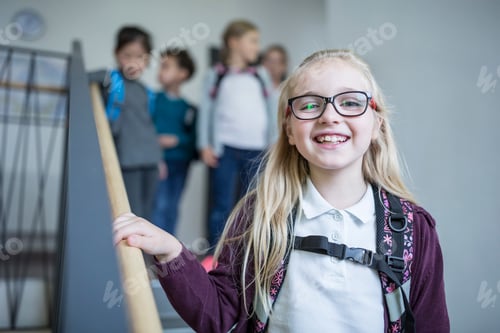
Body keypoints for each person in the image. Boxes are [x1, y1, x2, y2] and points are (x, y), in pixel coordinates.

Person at [113, 49, 450, 333]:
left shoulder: (414, 229)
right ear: (289, 129)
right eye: (309, 105)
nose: (330, 115)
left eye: (350, 102)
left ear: (376, 124)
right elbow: (217, 314)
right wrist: (172, 252)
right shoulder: (261, 214)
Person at [197, 20, 276, 251]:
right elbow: (206, 112)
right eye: (252, 41)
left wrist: (274, 139)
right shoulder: (216, 75)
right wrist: (204, 145)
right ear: (233, 42)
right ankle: (215, 255)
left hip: (257, 149)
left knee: (251, 204)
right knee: (222, 205)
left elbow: (272, 110)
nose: (256, 47)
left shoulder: (260, 74)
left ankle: (245, 255)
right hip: (226, 150)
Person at [104, 25, 161, 220]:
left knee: (148, 214)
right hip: (127, 160)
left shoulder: (147, 91)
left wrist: (159, 159)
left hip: (151, 160)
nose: (133, 62)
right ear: (116, 54)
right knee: (132, 214)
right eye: (127, 55)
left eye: (140, 57)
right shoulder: (111, 82)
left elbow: (148, 126)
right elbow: (82, 78)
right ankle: (134, 252)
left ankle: (146, 252)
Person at [152, 48, 197, 235]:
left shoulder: (189, 109)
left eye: (166, 66)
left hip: (180, 164)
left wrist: (177, 140)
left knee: (172, 207)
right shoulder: (152, 100)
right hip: (157, 163)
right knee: (159, 206)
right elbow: (144, 130)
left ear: (182, 74)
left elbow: (194, 141)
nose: (160, 71)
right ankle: (151, 256)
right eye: (161, 66)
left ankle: (167, 255)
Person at [262, 44, 288, 121]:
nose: (272, 66)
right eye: (269, 61)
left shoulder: (287, 92)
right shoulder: (255, 88)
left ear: (284, 66)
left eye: (276, 62)